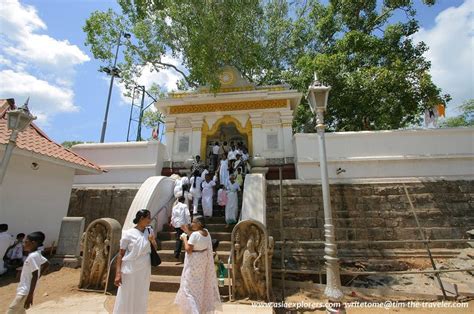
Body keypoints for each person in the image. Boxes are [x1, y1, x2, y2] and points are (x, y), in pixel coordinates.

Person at [174, 216, 221, 313]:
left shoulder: (195, 235)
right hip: (202, 262)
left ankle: (195, 311)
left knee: (187, 288)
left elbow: (188, 249)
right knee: (199, 287)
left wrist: (184, 239)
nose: (191, 224)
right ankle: (200, 308)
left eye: (193, 222)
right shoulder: (206, 232)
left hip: (194, 263)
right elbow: (196, 238)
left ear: (199, 223)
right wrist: (187, 232)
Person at [113, 210, 156, 314]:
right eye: (148, 218)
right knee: (127, 293)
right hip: (130, 267)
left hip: (144, 267)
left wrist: (152, 240)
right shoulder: (128, 234)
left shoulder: (150, 231)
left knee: (141, 293)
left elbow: (154, 248)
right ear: (141, 218)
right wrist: (118, 273)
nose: (150, 220)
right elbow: (121, 254)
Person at [7, 231, 49, 314]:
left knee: (11, 311)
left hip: (24, 292)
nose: (24, 244)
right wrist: (36, 279)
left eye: (26, 242)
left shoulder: (32, 256)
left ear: (33, 243)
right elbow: (47, 264)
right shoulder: (37, 254)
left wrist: (30, 295)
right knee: (20, 312)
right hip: (25, 290)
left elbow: (35, 274)